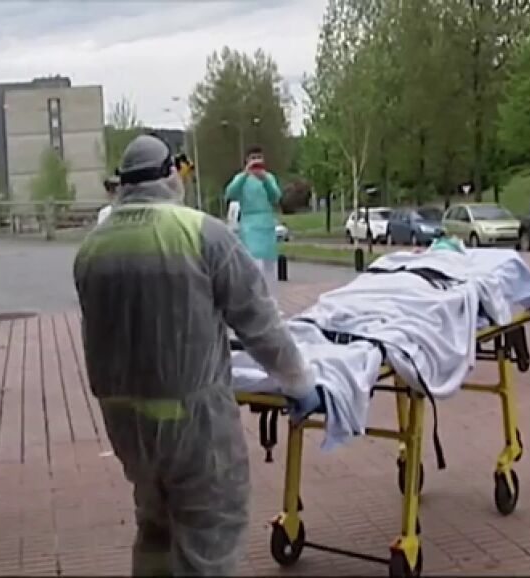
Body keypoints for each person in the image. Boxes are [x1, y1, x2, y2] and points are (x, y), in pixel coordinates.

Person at [73, 134, 321, 576]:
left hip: (125, 422)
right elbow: (259, 323)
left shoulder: (94, 246)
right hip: (192, 420)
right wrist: (299, 382)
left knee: (156, 527)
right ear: (170, 174)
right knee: (211, 534)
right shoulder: (200, 232)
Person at [224, 145, 282, 283]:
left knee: (269, 266)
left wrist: (265, 181)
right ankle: (255, 292)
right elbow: (230, 193)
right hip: (249, 225)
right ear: (247, 160)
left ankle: (268, 293)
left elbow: (276, 196)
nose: (256, 161)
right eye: (253, 158)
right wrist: (246, 174)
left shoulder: (268, 177)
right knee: (255, 264)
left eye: (259, 157)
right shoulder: (241, 178)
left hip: (267, 224)